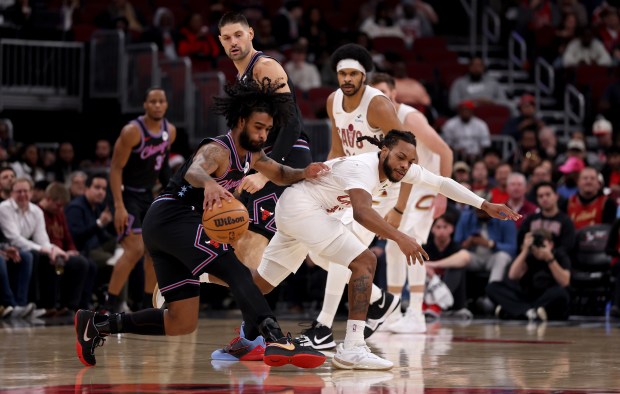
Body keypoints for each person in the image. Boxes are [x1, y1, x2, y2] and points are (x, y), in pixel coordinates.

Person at [74, 78, 327, 369]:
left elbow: (280, 172)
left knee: (181, 321)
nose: (263, 135)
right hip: (173, 215)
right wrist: (208, 183)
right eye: (258, 127)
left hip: (168, 228)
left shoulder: (253, 154)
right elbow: (195, 170)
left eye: (268, 130)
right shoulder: (218, 149)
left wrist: (304, 172)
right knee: (237, 271)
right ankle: (275, 339)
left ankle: (97, 324)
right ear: (241, 121)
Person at [249, 130, 520, 370]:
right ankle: (353, 347)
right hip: (303, 209)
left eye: (411, 162)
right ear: (384, 151)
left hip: (297, 209)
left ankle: (212, 283)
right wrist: (402, 237)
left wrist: (484, 205)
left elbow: (440, 183)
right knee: (364, 261)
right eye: (401, 158)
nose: (406, 166)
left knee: (260, 284)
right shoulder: (362, 168)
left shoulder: (396, 169)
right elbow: (362, 213)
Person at [215, 12, 312, 270]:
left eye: (238, 34)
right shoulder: (242, 76)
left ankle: (256, 308)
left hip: (286, 155)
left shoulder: (264, 67)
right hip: (264, 161)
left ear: (251, 34)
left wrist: (267, 174)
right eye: (227, 38)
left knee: (251, 238)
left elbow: (292, 123)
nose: (233, 41)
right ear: (221, 42)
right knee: (238, 237)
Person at [105, 87, 177, 313]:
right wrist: (118, 206)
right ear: (145, 105)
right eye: (152, 101)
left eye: (161, 101)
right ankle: (109, 304)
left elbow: (163, 167)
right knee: (134, 249)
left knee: (155, 251)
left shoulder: (170, 131)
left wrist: (174, 193)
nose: (157, 105)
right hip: (125, 193)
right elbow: (115, 169)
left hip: (147, 195)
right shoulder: (132, 132)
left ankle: (148, 305)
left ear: (166, 105)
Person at [488, 228, 571, 321]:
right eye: (536, 245)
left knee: (561, 293)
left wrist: (549, 258)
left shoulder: (559, 255)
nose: (539, 248)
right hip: (528, 296)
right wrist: (525, 250)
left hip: (547, 296)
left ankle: (516, 311)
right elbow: (513, 276)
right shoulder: (529, 256)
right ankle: (530, 312)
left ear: (551, 245)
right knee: (493, 287)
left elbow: (565, 282)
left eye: (542, 244)